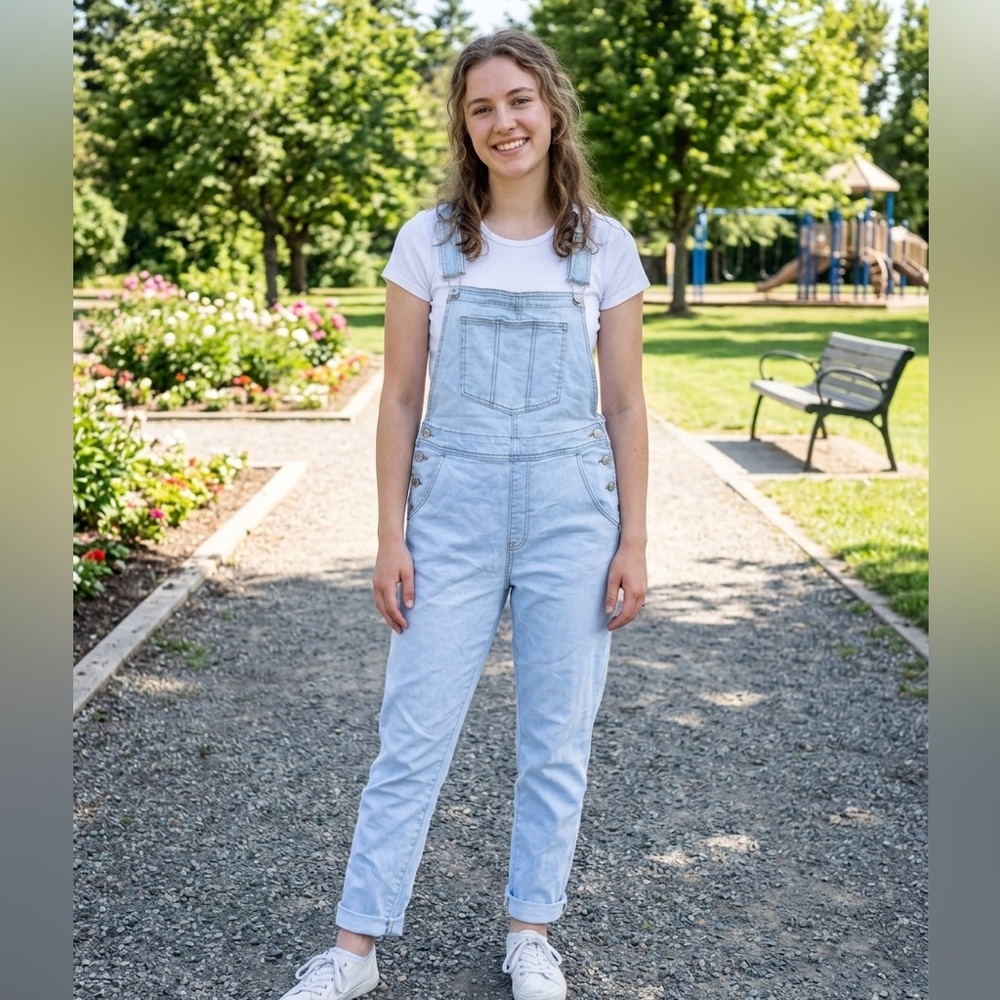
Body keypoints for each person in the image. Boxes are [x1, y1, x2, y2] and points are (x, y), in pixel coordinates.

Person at [277, 28, 649, 1000]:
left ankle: (531, 932)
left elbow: (622, 407)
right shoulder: (430, 241)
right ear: (463, 125)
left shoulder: (604, 249)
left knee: (555, 736)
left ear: (551, 106)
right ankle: (353, 949)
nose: (502, 122)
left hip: (575, 514)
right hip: (452, 514)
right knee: (413, 731)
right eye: (480, 107)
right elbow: (400, 399)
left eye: (517, 100)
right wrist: (389, 534)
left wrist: (634, 540)